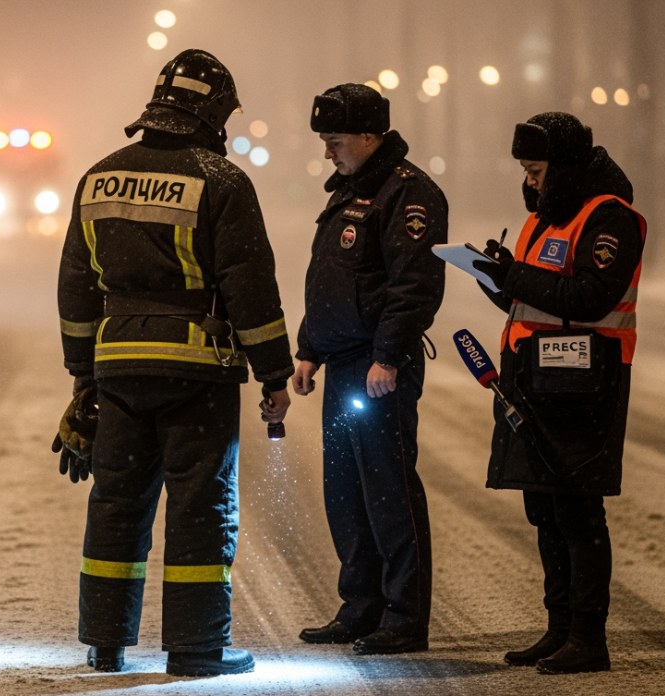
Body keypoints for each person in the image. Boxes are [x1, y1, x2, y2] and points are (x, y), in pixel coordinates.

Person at [55, 48, 295, 677]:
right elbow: (248, 283)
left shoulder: (99, 177)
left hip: (117, 368)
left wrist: (83, 376)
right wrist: (273, 372)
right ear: (211, 113)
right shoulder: (221, 180)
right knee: (200, 505)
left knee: (117, 501)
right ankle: (196, 648)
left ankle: (105, 643)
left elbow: (76, 283)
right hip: (196, 371)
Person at [471, 112, 645, 674]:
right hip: (536, 378)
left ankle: (589, 638)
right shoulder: (545, 220)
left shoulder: (610, 218)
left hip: (584, 384)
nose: (529, 181)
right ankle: (559, 629)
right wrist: (496, 275)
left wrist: (515, 277)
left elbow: (591, 297)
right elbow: (532, 298)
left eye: (537, 170)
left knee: (578, 512)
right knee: (544, 508)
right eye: (525, 170)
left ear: (565, 168)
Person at [292, 84, 447, 655]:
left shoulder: (409, 194)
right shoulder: (351, 190)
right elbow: (330, 279)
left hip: (379, 369)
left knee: (389, 491)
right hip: (343, 364)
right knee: (346, 492)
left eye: (334, 141)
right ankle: (360, 607)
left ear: (367, 135)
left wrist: (388, 356)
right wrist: (310, 349)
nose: (327, 152)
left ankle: (404, 619)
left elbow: (414, 285)